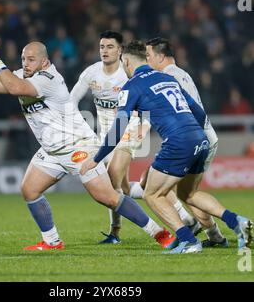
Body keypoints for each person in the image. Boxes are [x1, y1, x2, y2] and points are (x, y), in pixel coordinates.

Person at [0, 38, 176, 251]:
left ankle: (159, 233)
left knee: (108, 197)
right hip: (52, 150)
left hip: (78, 146)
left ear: (44, 62)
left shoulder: (48, 78)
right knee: (30, 190)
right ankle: (52, 241)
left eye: (31, 59)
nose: (25, 63)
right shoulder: (21, 75)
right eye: (23, 59)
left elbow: (15, 88)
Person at [80, 40, 253, 254]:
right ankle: (237, 222)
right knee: (189, 194)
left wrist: (96, 159)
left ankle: (188, 241)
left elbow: (118, 129)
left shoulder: (131, 86)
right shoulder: (166, 78)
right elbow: (198, 112)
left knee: (152, 193)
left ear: (126, 61)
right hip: (200, 136)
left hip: (179, 141)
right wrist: (195, 136)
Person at [71, 30, 176, 247]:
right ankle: (182, 213)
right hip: (107, 136)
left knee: (111, 179)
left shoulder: (127, 74)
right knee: (124, 189)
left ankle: (116, 232)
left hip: (129, 131)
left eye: (110, 47)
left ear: (120, 52)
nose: (105, 51)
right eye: (102, 47)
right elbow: (72, 101)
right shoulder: (91, 73)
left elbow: (146, 97)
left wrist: (145, 127)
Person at [130, 37, 226, 248]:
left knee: (186, 193)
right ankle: (212, 233)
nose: (145, 60)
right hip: (197, 137)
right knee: (180, 190)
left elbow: (186, 112)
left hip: (194, 138)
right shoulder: (179, 74)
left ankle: (210, 229)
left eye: (148, 56)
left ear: (160, 57)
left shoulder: (169, 77)